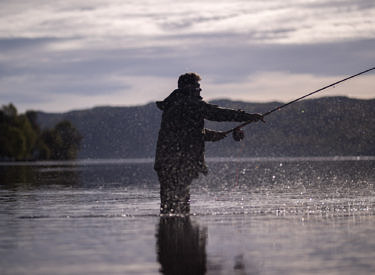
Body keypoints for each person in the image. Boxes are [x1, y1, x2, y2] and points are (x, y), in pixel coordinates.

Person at [154, 73, 263, 214]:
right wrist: (248, 117)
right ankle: (181, 232)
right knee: (180, 203)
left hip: (165, 162)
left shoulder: (173, 103)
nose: (200, 90)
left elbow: (186, 132)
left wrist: (212, 135)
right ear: (189, 87)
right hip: (180, 162)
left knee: (169, 205)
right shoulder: (189, 103)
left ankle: (172, 232)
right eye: (198, 86)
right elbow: (216, 113)